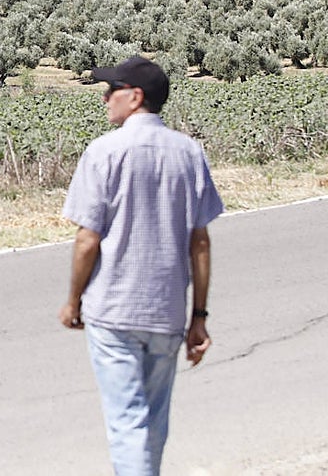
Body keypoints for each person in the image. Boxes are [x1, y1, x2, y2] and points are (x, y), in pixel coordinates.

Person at [59, 55, 223, 476]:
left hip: (113, 312)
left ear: (135, 97)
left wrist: (73, 300)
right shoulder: (189, 153)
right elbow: (199, 241)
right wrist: (198, 316)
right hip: (166, 313)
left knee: (127, 422)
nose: (104, 99)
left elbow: (87, 239)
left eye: (110, 91)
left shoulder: (103, 152)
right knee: (153, 422)